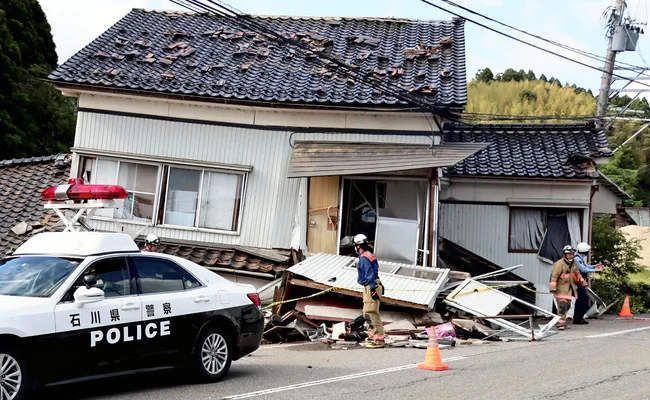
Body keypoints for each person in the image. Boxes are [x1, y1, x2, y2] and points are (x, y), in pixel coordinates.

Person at [353, 234, 385, 349]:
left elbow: (369, 274)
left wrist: (372, 289)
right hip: (374, 284)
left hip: (370, 286)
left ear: (358, 246)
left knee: (370, 313)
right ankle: (374, 337)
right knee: (370, 313)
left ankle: (378, 340)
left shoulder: (364, 258)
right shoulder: (369, 255)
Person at [550, 245, 588, 331]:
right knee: (562, 305)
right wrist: (552, 288)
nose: (571, 256)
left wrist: (584, 284)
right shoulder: (559, 264)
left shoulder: (573, 264)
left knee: (567, 306)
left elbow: (578, 275)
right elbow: (554, 277)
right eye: (569, 254)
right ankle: (560, 324)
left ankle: (562, 321)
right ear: (565, 255)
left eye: (572, 254)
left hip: (569, 290)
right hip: (560, 289)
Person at [572, 242, 605, 325]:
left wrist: (594, 266)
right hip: (579, 282)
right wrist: (595, 270)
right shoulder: (577, 259)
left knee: (583, 300)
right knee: (581, 300)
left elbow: (585, 266)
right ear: (584, 250)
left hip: (581, 281)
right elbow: (583, 269)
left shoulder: (579, 258)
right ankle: (577, 319)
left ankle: (580, 318)